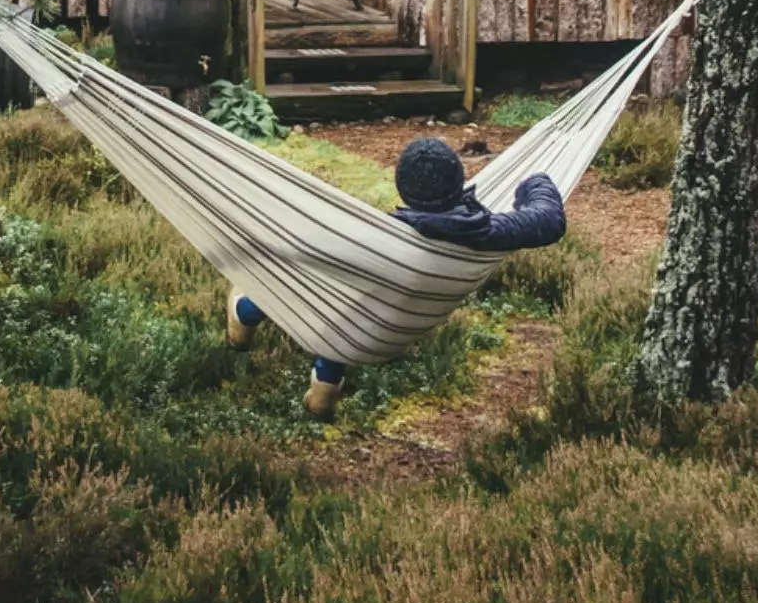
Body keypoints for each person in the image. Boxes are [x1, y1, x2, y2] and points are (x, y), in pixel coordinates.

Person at [226, 134, 567, 419]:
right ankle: (323, 386)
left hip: (352, 329)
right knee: (355, 300)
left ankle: (249, 314)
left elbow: (302, 252)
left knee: (323, 290)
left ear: (403, 190)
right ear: (459, 181)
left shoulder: (380, 238)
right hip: (399, 334)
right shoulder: (489, 231)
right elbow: (549, 219)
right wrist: (532, 183)